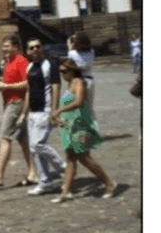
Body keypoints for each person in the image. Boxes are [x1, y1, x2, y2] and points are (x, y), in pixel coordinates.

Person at [48, 59, 117, 202]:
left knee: (84, 158)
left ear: (72, 70)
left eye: (64, 71)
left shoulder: (79, 82)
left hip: (80, 126)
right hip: (70, 126)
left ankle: (109, 183)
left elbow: (78, 102)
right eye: (60, 72)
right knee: (71, 157)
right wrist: (61, 118)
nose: (62, 74)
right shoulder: (69, 84)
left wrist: (59, 110)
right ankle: (66, 192)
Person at [0, 34, 36, 188]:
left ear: (16, 47)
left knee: (5, 137)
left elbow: (27, 83)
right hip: (8, 102)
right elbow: (12, 80)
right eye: (3, 46)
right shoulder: (9, 62)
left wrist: (6, 87)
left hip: (17, 103)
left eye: (7, 46)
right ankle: (34, 173)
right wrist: (1, 82)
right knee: (23, 140)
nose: (3, 49)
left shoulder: (21, 61)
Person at [17, 38, 66, 195]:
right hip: (33, 111)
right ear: (28, 52)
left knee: (37, 144)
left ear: (42, 48)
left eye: (38, 46)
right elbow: (29, 91)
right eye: (32, 48)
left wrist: (55, 110)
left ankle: (62, 166)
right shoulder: (30, 66)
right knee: (34, 150)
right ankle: (45, 182)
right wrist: (24, 113)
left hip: (45, 110)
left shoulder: (50, 65)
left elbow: (56, 87)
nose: (35, 49)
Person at [67, 33, 97, 122]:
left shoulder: (72, 53)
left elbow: (70, 64)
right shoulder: (92, 51)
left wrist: (70, 46)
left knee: (78, 106)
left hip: (78, 80)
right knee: (90, 108)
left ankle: (83, 130)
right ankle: (94, 129)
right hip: (90, 79)